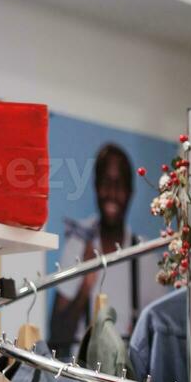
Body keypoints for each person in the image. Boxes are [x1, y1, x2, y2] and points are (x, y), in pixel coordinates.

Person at [48, 142, 155, 352]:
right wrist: (85, 286)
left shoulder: (145, 257)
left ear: (130, 192)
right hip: (81, 380)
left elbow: (160, 336)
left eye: (120, 184)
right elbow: (56, 333)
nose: (112, 193)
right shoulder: (78, 246)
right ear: (96, 187)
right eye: (106, 182)